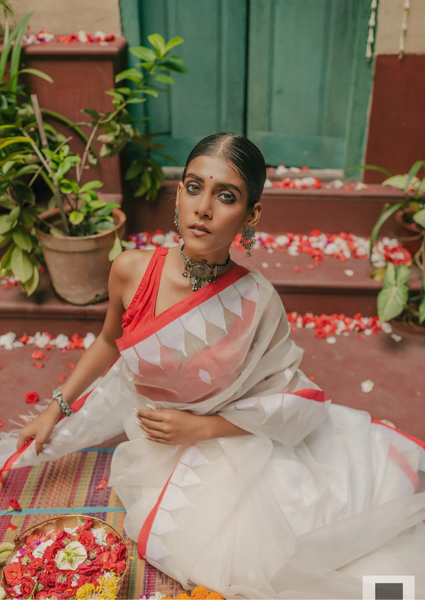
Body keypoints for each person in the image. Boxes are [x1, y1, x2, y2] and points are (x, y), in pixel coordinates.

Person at [2, 133, 425, 600]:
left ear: (251, 215)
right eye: (193, 186)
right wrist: (55, 409)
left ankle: (397, 588)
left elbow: (288, 398)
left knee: (264, 559)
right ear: (178, 194)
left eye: (226, 196)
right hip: (155, 439)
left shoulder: (256, 301)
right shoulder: (130, 268)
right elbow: (109, 342)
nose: (203, 207)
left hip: (228, 441)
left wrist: (200, 428)